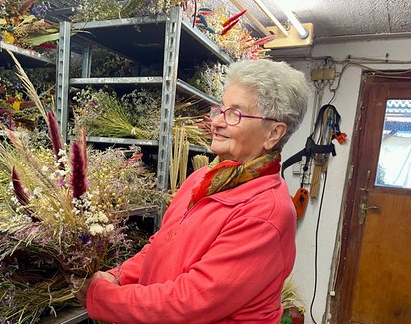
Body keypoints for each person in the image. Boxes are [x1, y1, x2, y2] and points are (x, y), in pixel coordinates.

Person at [73, 59, 310, 323]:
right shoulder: (205, 178)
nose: (217, 121)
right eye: (220, 109)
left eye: (235, 114)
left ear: (273, 134)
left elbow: (191, 302)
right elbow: (162, 244)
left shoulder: (266, 213)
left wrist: (103, 298)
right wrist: (118, 276)